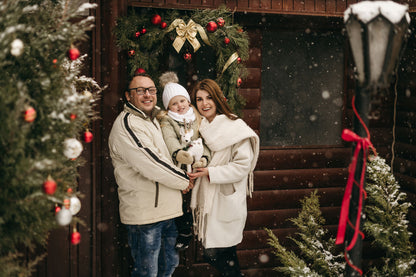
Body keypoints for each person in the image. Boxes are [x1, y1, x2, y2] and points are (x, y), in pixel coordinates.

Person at [108, 73, 192, 277]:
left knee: (168, 267)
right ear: (129, 96)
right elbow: (151, 163)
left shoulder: (157, 120)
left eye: (151, 90)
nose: (147, 95)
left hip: (169, 212)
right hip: (145, 216)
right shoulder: (128, 124)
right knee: (147, 273)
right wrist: (183, 180)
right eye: (140, 90)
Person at [188, 79, 260, 277]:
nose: (205, 104)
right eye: (199, 99)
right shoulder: (197, 128)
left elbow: (243, 165)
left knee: (221, 255)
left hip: (225, 198)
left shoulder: (234, 127)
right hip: (208, 200)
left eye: (209, 97)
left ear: (218, 98)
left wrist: (211, 172)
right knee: (213, 254)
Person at [157, 72, 210, 251]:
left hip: (197, 164)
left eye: (182, 101)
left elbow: (207, 139)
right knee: (181, 199)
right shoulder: (167, 120)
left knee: (195, 198)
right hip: (179, 165)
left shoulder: (197, 117)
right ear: (168, 106)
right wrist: (178, 153)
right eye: (174, 103)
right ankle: (184, 230)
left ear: (188, 101)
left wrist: (204, 158)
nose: (179, 106)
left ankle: (198, 227)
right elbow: (169, 138)